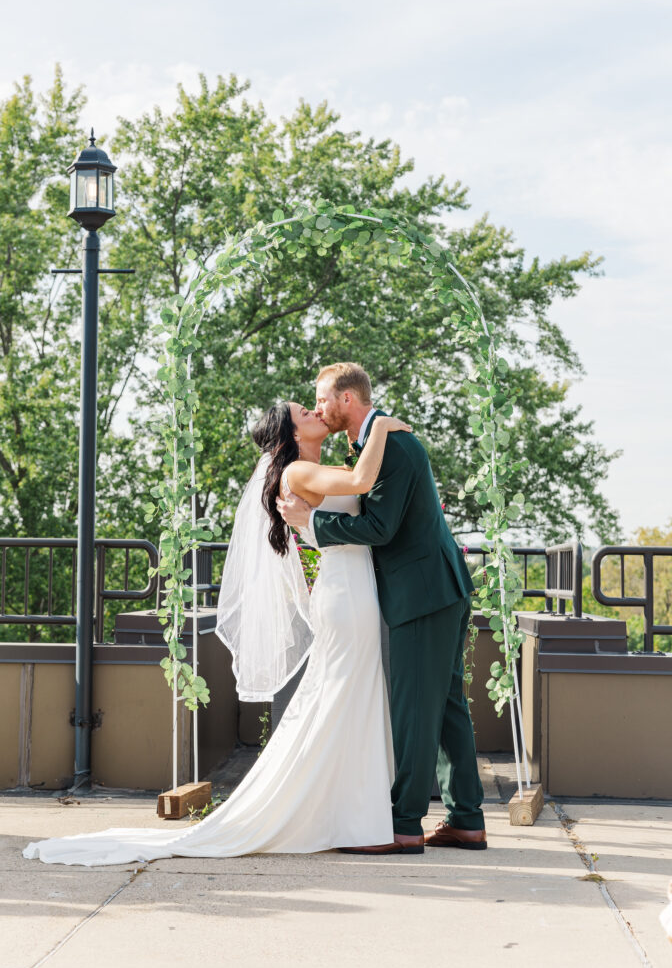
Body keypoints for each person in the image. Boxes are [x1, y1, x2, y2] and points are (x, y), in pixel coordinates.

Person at [23, 402, 410, 866]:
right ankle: (355, 821)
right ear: (289, 432)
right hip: (345, 596)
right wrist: (384, 426)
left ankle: (353, 816)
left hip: (353, 589)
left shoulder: (317, 466)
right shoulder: (300, 472)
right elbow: (361, 484)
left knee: (349, 697)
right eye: (303, 410)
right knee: (347, 696)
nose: (313, 409)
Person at [278, 362, 486, 855]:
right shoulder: (375, 442)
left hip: (423, 594)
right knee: (448, 705)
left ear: (347, 400)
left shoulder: (388, 443)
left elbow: (380, 529)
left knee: (415, 708)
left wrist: (312, 526)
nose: (319, 408)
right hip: (437, 589)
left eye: (322, 399)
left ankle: (403, 824)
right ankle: (466, 819)